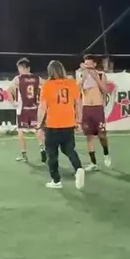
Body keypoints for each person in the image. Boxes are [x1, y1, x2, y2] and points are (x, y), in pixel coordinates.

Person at [37, 60, 86, 190]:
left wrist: (38, 124)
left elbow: (42, 106)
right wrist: (79, 120)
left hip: (52, 124)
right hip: (68, 123)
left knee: (52, 153)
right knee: (69, 149)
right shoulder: (71, 83)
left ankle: (56, 180)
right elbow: (78, 103)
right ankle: (78, 168)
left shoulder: (47, 85)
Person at [77, 55, 111, 169]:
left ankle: (106, 153)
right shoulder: (81, 75)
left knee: (102, 135)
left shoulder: (101, 74)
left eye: (90, 64)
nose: (88, 67)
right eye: (86, 64)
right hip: (86, 108)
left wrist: (96, 78)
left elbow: (106, 89)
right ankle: (93, 163)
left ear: (95, 64)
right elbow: (77, 91)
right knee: (89, 136)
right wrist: (83, 79)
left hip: (97, 108)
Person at [7, 58, 44, 163]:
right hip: (34, 108)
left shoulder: (18, 79)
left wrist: (13, 103)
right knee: (38, 128)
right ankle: (42, 148)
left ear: (27, 68)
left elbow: (8, 91)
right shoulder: (37, 78)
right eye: (19, 68)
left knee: (20, 130)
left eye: (21, 68)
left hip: (22, 109)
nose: (20, 70)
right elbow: (47, 86)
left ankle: (24, 154)